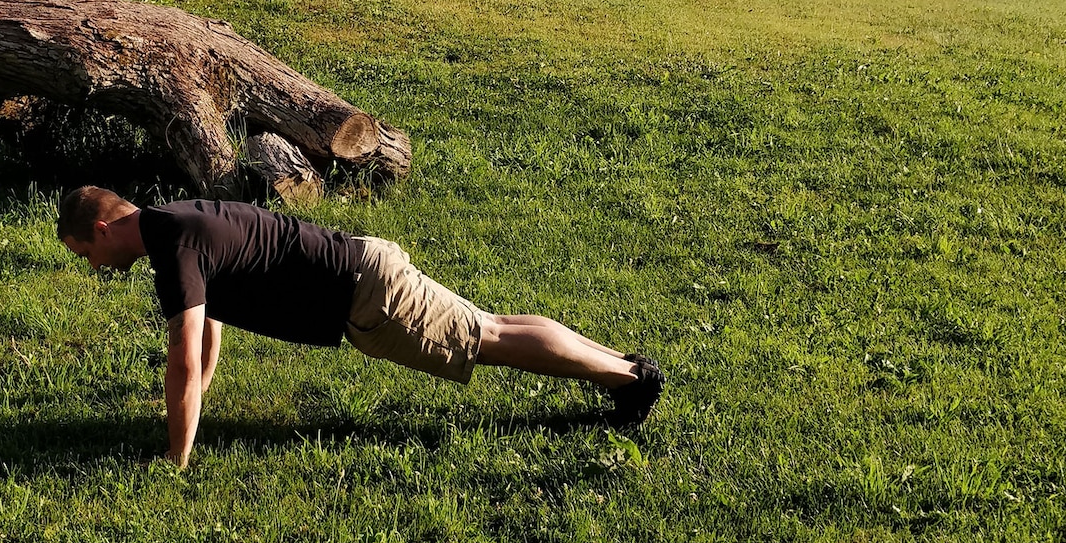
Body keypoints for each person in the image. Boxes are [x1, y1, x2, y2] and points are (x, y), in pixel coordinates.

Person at [58, 186, 665, 468]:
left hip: (367, 295)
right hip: (362, 269)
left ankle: (627, 380)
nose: (93, 265)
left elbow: (184, 358)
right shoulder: (174, 220)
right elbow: (211, 323)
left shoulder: (173, 248)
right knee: (492, 326)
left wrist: (176, 457)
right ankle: (627, 370)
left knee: (489, 339)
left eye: (85, 252)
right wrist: (201, 401)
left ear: (104, 229)